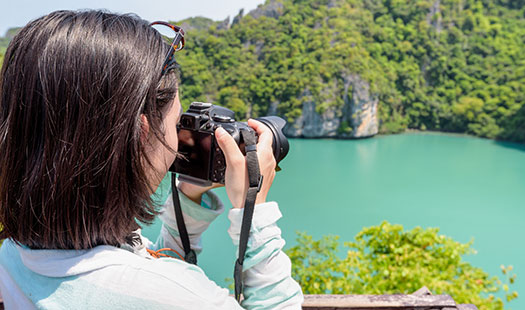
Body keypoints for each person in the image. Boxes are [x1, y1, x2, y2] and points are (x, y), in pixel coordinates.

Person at [0, 10, 303, 309]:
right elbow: (155, 288)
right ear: (143, 133)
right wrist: (255, 210)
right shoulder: (187, 299)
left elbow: (137, 275)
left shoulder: (14, 255)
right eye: (175, 125)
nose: (177, 141)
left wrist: (188, 199)